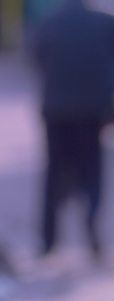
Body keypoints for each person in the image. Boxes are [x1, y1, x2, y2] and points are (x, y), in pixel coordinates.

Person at [30, 0, 114, 255]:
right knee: (91, 171)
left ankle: (48, 240)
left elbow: (36, 58)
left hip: (57, 109)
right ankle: (90, 212)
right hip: (91, 109)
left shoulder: (50, 22)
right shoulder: (105, 22)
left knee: (54, 172)